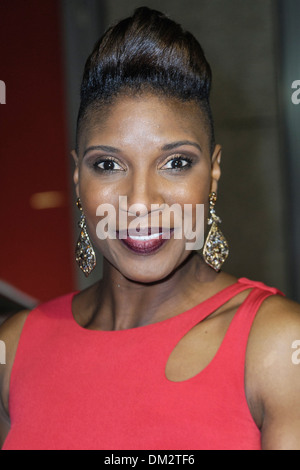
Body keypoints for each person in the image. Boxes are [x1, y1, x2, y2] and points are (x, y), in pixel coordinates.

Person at [1, 6, 300, 451]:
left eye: (176, 163)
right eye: (108, 164)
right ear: (78, 177)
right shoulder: (15, 348)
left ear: (214, 172)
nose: (140, 201)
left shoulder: (276, 347)